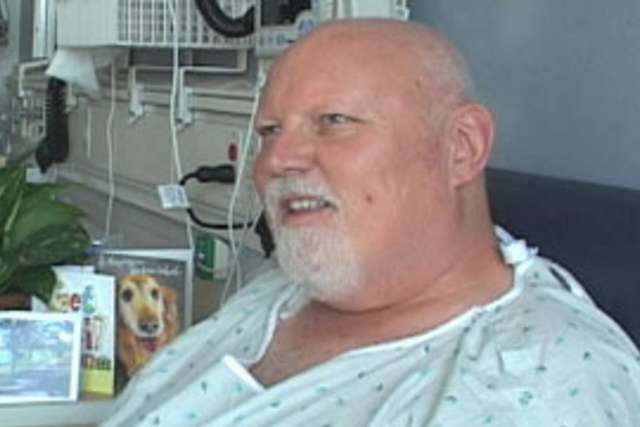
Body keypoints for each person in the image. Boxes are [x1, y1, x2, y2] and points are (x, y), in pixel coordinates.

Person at [101, 19, 640, 427]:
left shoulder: (538, 384)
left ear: (461, 148)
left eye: (334, 121)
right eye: (269, 131)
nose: (276, 160)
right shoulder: (283, 293)